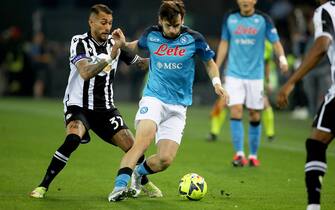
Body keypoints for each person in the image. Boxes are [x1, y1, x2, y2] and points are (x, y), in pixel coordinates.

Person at [30, 4, 160, 199]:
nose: (107, 27)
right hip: (78, 105)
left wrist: (163, 57)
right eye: (103, 22)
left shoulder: (114, 44)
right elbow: (85, 73)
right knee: (73, 138)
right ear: (91, 22)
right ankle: (43, 186)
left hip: (105, 108)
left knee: (134, 148)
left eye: (110, 23)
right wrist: (110, 56)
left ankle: (144, 183)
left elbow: (141, 63)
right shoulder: (79, 42)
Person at [107, 0, 229, 202]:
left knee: (165, 160)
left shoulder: (193, 38)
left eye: (177, 25)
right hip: (153, 99)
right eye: (168, 25)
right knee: (142, 143)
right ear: (160, 20)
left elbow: (210, 63)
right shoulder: (151, 34)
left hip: (178, 106)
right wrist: (122, 43)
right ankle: (119, 187)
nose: (173, 30)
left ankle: (138, 173)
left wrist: (217, 83)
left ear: (182, 20)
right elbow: (134, 46)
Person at [214, 0, 288, 167]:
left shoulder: (264, 20)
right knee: (236, 110)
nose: (245, 1)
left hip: (255, 75)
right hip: (234, 74)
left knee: (255, 113)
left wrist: (282, 59)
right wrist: (216, 67)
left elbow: (276, 42)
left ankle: (253, 155)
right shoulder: (230, 18)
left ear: (254, 1)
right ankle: (239, 154)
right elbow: (224, 43)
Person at [277, 1, 335, 209]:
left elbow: (322, 45)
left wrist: (291, 81)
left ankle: (313, 206)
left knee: (316, 144)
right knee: (318, 140)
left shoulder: (326, 11)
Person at [207, 40, 277, 142]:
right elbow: (230, 59)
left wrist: (267, 81)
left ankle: (270, 134)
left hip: (254, 79)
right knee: (222, 103)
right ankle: (214, 132)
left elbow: (266, 64)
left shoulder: (266, 45)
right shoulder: (240, 38)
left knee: (265, 104)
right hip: (236, 77)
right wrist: (225, 76)